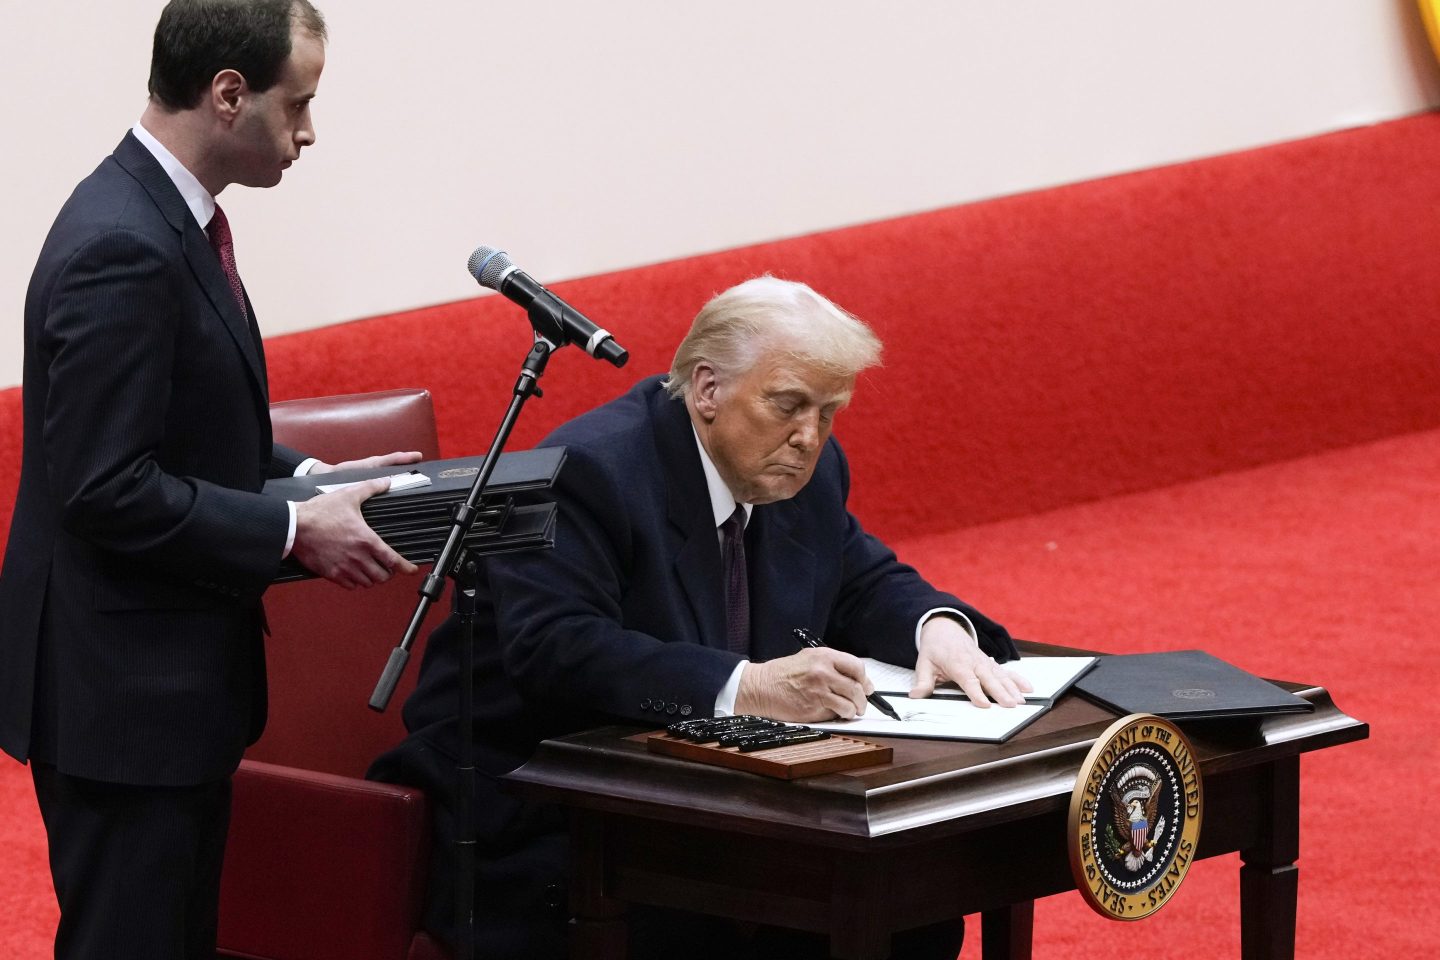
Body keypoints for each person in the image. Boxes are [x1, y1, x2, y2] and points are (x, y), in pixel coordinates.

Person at [370, 276, 1031, 958]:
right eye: (789, 405)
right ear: (708, 390)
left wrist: (939, 630)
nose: (810, 436)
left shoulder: (801, 468)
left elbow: (861, 580)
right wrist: (748, 686)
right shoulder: (590, 472)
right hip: (545, 809)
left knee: (909, 911)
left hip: (703, 800)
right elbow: (560, 649)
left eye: (829, 411)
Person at [0, 3, 419, 958]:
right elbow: (104, 485)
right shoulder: (126, 243)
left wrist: (312, 474)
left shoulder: (161, 216)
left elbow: (182, 426)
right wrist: (291, 531)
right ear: (229, 94)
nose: (309, 133)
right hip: (123, 702)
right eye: (299, 104)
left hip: (160, 691)